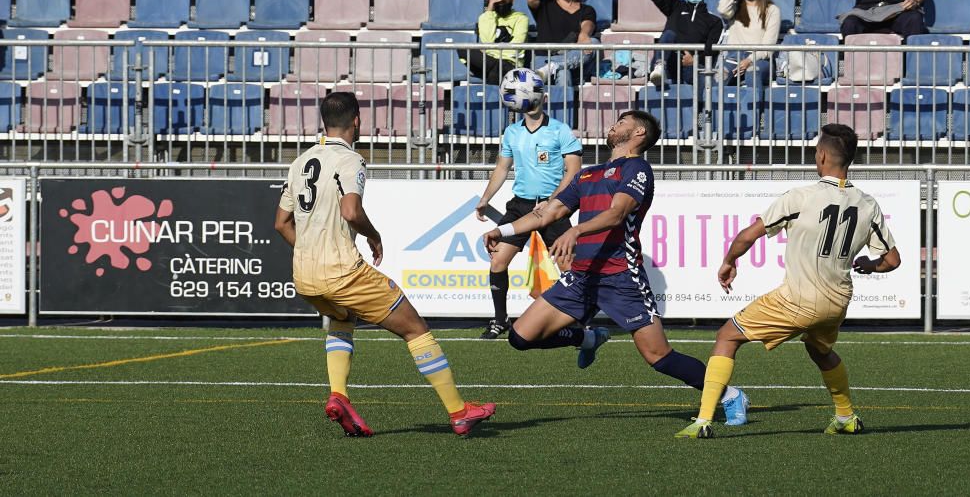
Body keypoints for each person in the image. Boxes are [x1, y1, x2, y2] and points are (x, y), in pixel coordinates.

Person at [482, 111, 750, 425]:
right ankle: (588, 338)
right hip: (582, 277)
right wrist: (504, 231)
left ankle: (730, 394)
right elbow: (546, 214)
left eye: (622, 122)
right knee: (519, 337)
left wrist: (576, 231)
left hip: (622, 277)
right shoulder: (588, 175)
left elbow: (616, 214)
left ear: (639, 133)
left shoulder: (637, 169)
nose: (614, 124)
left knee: (658, 357)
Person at [274, 91, 495, 437]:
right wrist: (374, 235)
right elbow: (351, 211)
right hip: (341, 272)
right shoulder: (351, 161)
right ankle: (459, 411)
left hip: (304, 276)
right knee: (415, 329)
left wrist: (311, 250)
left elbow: (281, 223)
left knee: (342, 320)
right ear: (357, 121)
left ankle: (339, 396)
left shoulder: (300, 162)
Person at [675, 124, 901, 439]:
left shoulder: (800, 197)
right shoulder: (867, 204)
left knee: (727, 337)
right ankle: (846, 416)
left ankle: (702, 421)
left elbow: (747, 235)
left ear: (821, 155)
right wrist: (869, 265)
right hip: (837, 302)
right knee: (820, 351)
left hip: (798, 299)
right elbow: (892, 260)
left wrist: (729, 262)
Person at [474, 90, 583, 339]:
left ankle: (576, 320)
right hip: (520, 206)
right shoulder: (513, 132)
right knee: (497, 261)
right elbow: (502, 167)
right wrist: (485, 198)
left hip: (553, 208)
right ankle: (500, 320)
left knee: (568, 266)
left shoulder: (560, 130)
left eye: (533, 93)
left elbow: (574, 172)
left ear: (544, 97)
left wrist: (551, 201)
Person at [646, 0, 724, 85]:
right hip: (670, 61)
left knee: (707, 86)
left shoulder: (714, 21)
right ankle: (659, 67)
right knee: (669, 34)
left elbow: (711, 50)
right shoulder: (675, 6)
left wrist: (694, 60)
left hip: (692, 65)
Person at [528, 0, 598, 86]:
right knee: (564, 71)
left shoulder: (586, 9)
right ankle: (553, 67)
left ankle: (554, 65)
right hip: (543, 58)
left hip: (572, 59)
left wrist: (584, 34)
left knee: (594, 42)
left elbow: (588, 23)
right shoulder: (545, 5)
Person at [717, 0, 780, 88]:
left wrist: (749, 60)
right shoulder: (735, 8)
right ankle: (715, 108)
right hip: (734, 57)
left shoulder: (772, 10)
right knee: (718, 77)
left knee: (753, 72)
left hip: (759, 59)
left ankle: (753, 108)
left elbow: (768, 47)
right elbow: (722, 9)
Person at [469, 0, 530, 84]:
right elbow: (487, 41)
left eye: (504, 2)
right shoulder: (485, 17)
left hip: (510, 64)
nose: (501, 5)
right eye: (497, 3)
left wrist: (492, 53)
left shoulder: (521, 19)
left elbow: (515, 48)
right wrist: (489, 11)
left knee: (496, 72)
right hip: (489, 61)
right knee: (463, 49)